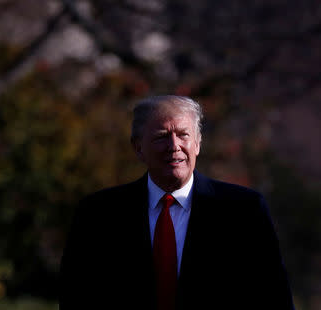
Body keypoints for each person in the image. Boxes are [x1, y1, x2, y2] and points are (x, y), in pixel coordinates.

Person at [59, 95, 294, 310]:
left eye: (183, 134)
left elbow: (274, 298)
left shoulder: (243, 210)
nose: (174, 146)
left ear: (198, 144)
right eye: (161, 137)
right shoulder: (98, 213)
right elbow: (76, 298)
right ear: (138, 148)